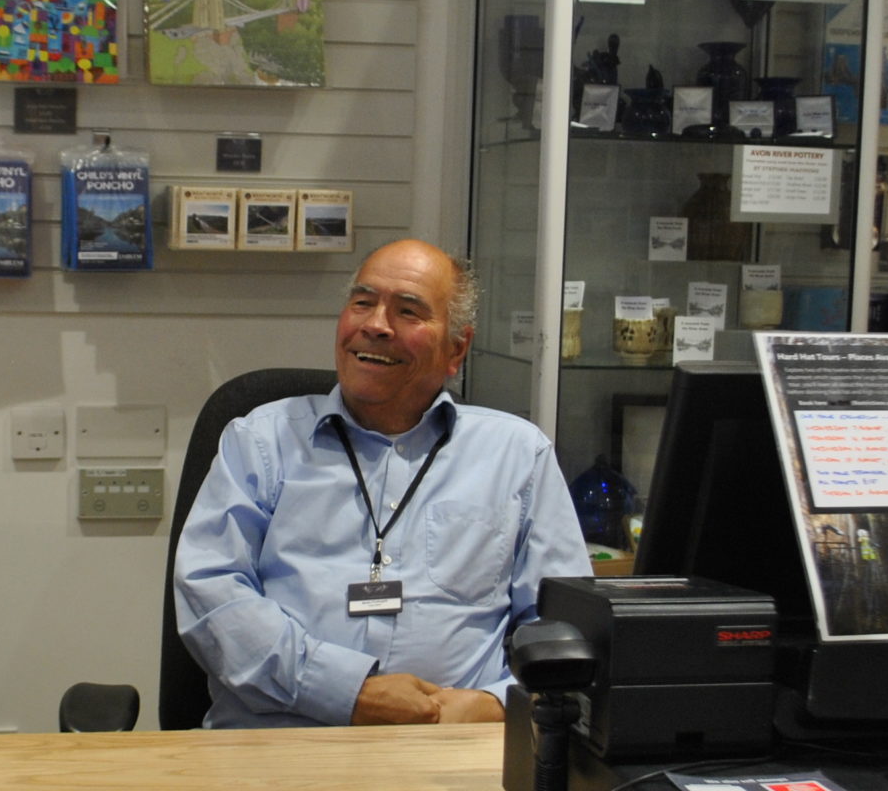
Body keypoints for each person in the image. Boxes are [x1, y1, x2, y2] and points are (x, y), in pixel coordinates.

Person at [173, 239, 591, 728]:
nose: (375, 325)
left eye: (408, 311)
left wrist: (498, 703)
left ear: (456, 349)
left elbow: (564, 630)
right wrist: (348, 693)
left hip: (453, 747)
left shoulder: (517, 455)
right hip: (280, 744)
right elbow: (213, 596)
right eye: (362, 302)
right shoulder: (260, 442)